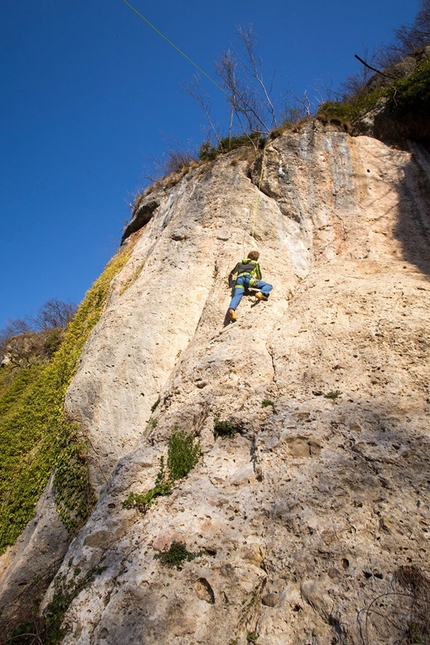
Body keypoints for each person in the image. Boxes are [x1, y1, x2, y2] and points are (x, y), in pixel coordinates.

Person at [227, 250, 272, 321]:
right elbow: (259, 276)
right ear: (256, 258)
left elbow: (232, 272)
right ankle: (260, 293)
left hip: (239, 281)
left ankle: (232, 309)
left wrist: (230, 278)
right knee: (268, 286)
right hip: (249, 280)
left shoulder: (240, 263)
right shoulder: (256, 263)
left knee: (236, 296)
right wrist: (257, 280)